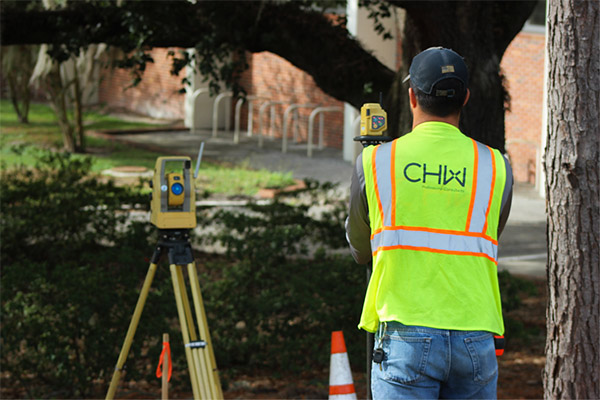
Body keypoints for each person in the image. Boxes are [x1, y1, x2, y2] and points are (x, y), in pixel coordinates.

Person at [345, 47, 513, 399]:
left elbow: (362, 249)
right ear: (465, 97)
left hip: (405, 335)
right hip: (475, 335)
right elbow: (488, 236)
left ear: (411, 96)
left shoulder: (376, 162)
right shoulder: (496, 167)